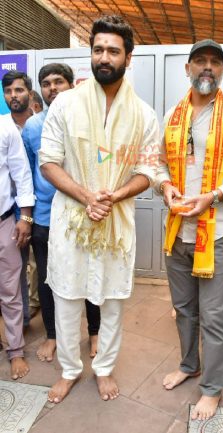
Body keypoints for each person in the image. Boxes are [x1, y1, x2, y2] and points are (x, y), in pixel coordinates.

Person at [39, 15, 159, 404]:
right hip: (72, 220)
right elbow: (48, 162)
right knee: (68, 297)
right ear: (90, 53)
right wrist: (86, 196)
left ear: (128, 57)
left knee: (112, 300)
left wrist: (115, 195)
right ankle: (71, 369)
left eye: (113, 50)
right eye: (98, 49)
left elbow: (149, 169)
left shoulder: (143, 114)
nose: (104, 57)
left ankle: (103, 368)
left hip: (116, 221)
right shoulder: (66, 105)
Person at [156, 39, 223, 421]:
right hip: (177, 228)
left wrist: (214, 196)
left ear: (222, 70)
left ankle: (212, 388)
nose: (207, 68)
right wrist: (166, 187)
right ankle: (189, 364)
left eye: (214, 63)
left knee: (214, 315)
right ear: (187, 68)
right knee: (184, 309)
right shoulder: (173, 115)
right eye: (199, 61)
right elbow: (159, 165)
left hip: (216, 231)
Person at [22, 63, 101, 363]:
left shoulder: (89, 122)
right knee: (46, 278)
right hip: (44, 216)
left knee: (90, 275)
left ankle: (94, 332)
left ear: (72, 85)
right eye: (46, 83)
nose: (52, 88)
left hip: (81, 214)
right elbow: (29, 172)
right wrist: (27, 216)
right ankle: (53, 336)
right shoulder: (32, 126)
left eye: (59, 82)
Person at [0, 113, 34, 379]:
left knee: (10, 290)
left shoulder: (5, 127)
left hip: (4, 223)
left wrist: (25, 217)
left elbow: (22, 174)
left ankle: (15, 350)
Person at [2, 71, 37, 328]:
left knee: (41, 267)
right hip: (13, 212)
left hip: (43, 208)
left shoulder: (42, 126)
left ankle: (50, 323)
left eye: (19, 90)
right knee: (18, 269)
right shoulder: (4, 127)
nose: (14, 96)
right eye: (9, 91)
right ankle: (22, 320)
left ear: (30, 93)